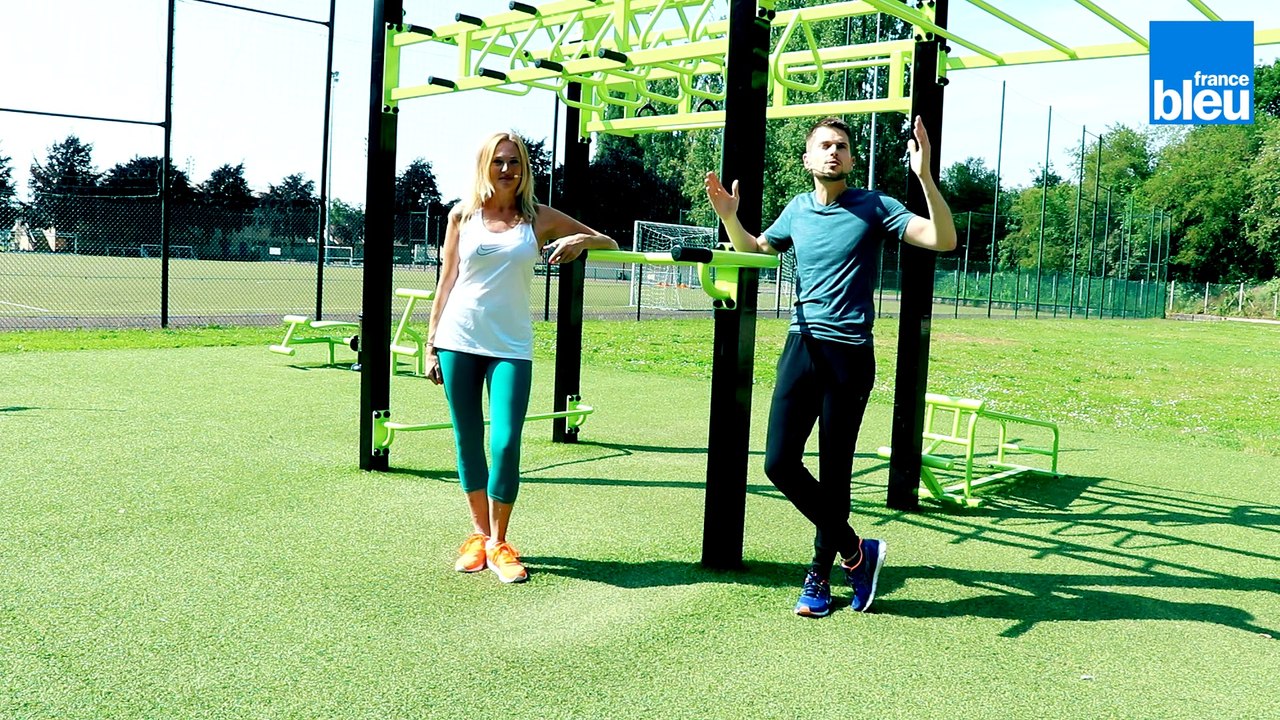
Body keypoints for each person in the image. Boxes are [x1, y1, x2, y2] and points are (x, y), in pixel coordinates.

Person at [705, 116, 956, 616]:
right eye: (823, 146)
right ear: (807, 159)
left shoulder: (875, 205)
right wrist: (731, 217)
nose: (833, 152)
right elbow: (755, 250)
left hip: (850, 355)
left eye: (840, 146)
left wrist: (926, 176)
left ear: (851, 158)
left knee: (835, 470)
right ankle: (857, 552)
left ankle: (820, 572)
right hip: (801, 346)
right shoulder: (796, 210)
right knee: (778, 462)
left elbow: (942, 239)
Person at [425, 131, 617, 584]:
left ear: (525, 169)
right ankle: (478, 535)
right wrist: (432, 343)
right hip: (458, 340)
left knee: (506, 442)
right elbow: (446, 281)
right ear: (484, 167)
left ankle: (499, 542)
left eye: (514, 162)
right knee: (467, 440)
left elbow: (605, 240)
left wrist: (580, 243)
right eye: (498, 162)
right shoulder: (461, 216)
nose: (507, 169)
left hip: (510, 346)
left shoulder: (538, 218)